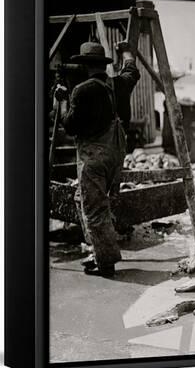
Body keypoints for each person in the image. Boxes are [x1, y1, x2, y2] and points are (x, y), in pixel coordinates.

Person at [59, 41, 140, 277]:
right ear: (102, 65)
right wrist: (125, 51)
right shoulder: (118, 84)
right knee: (82, 199)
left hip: (94, 157)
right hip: (115, 155)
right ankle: (98, 250)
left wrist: (61, 102)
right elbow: (132, 71)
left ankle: (106, 264)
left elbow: (70, 126)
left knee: (94, 210)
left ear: (84, 65)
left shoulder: (81, 90)